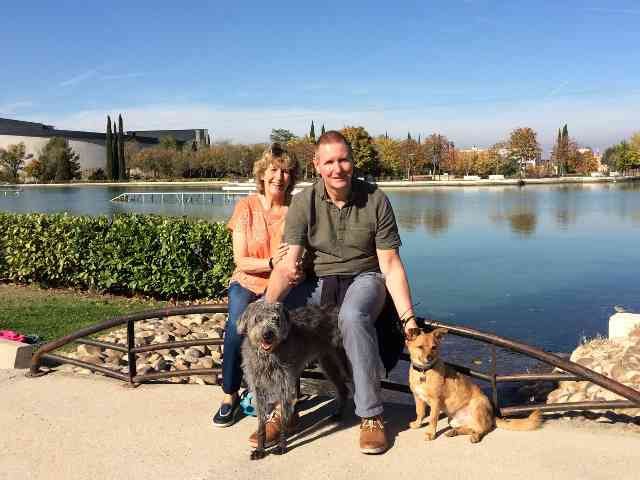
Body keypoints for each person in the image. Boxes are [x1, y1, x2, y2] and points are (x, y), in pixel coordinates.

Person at [264, 130, 419, 454]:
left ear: (353, 162)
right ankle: (284, 408)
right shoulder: (304, 202)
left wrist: (408, 320)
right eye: (330, 161)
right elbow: (289, 265)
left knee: (352, 315)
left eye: (344, 159)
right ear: (317, 165)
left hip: (366, 277)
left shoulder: (376, 199)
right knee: (283, 321)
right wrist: (266, 307)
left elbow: (389, 265)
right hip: (320, 279)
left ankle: (372, 416)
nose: (338, 168)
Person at [212, 144, 299, 427]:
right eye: (274, 170)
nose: (279, 176)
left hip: (281, 284)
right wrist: (272, 262)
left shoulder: (295, 211)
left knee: (281, 333)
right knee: (238, 326)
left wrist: (294, 269)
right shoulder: (246, 207)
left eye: (286, 171)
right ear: (262, 174)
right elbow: (240, 260)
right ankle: (230, 395)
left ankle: (279, 399)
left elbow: (298, 254)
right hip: (247, 281)